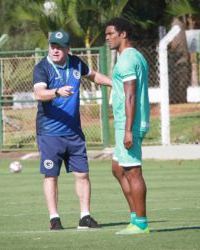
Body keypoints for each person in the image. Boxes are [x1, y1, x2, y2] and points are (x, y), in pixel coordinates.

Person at [33, 30, 112, 230]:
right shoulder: (42, 68)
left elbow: (93, 76)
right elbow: (39, 94)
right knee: (51, 175)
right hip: (50, 132)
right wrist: (56, 92)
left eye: (60, 47)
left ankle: (85, 216)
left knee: (82, 174)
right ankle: (54, 218)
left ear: (68, 49)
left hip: (74, 132)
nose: (55, 50)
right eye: (52, 46)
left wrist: (114, 83)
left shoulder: (76, 62)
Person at [105, 17, 150, 234]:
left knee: (132, 171)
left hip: (128, 123)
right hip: (125, 123)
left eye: (111, 33)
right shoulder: (133, 56)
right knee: (117, 168)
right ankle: (134, 218)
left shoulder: (127, 60)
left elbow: (131, 96)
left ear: (123, 34)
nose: (108, 38)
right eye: (106, 34)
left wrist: (128, 130)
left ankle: (140, 223)